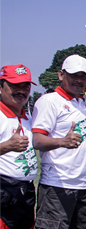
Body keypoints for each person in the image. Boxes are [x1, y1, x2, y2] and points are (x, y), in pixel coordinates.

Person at [32, 54, 86, 228]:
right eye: (73, 75)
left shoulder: (83, 105)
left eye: (82, 76)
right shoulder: (49, 101)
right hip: (56, 185)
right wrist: (62, 141)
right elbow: (37, 141)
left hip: (83, 185)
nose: (78, 80)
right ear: (61, 75)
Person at [0, 64, 38, 229]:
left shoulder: (28, 117)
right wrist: (7, 146)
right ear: (1, 87)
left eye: (26, 86)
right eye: (14, 85)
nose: (21, 90)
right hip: (4, 189)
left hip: (26, 191)